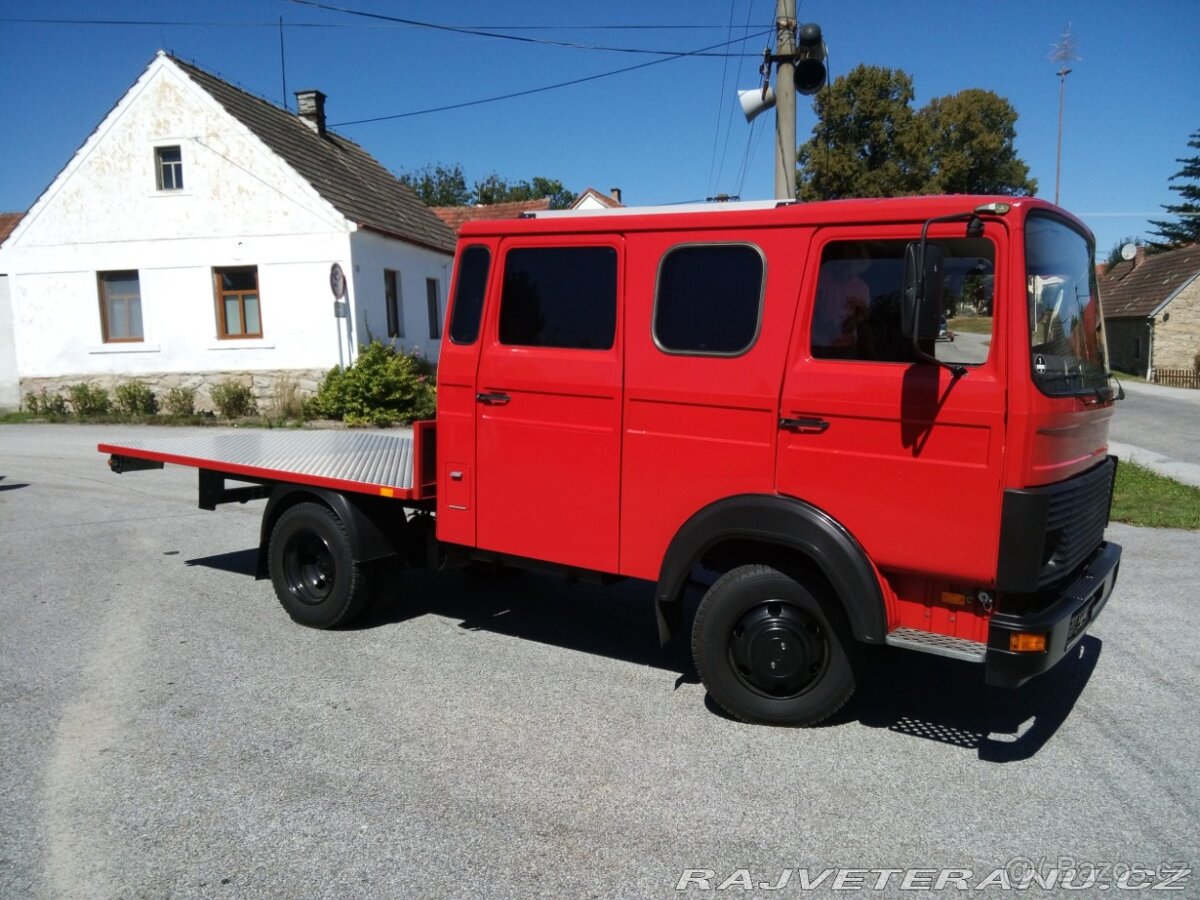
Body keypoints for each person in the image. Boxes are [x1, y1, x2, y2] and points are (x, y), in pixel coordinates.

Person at [813, 244, 871, 358]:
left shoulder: (862, 288)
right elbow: (813, 308)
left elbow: (865, 314)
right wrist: (830, 327)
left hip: (847, 346)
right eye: (844, 264)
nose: (846, 269)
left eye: (852, 267)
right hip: (820, 346)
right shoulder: (822, 278)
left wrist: (853, 321)